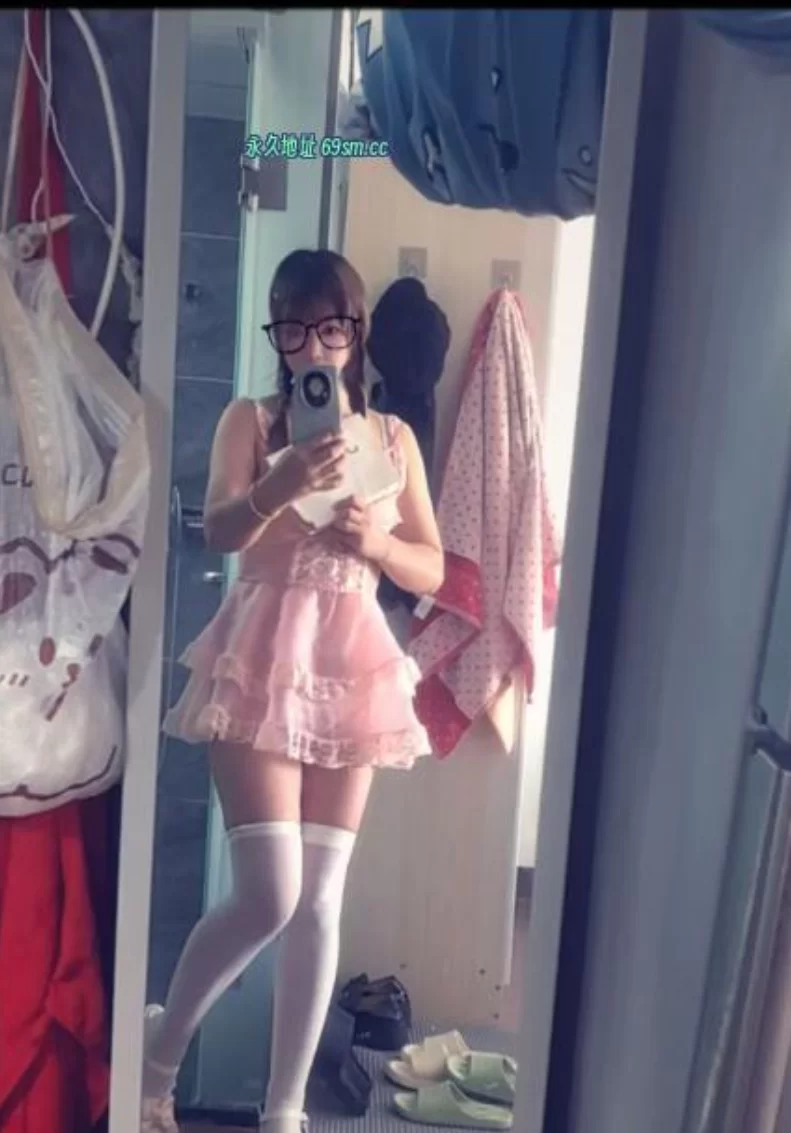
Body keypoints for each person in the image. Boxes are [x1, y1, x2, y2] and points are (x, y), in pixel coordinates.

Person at [140, 249, 444, 1133]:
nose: (314, 345)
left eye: (331, 325)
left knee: (318, 900)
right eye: (295, 327)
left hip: (353, 657)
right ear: (275, 332)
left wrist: (374, 545)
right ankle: (157, 1059)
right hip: (261, 654)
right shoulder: (252, 418)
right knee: (269, 893)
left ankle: (283, 1112)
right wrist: (277, 485)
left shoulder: (392, 439)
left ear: (357, 330)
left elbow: (431, 567)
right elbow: (217, 529)